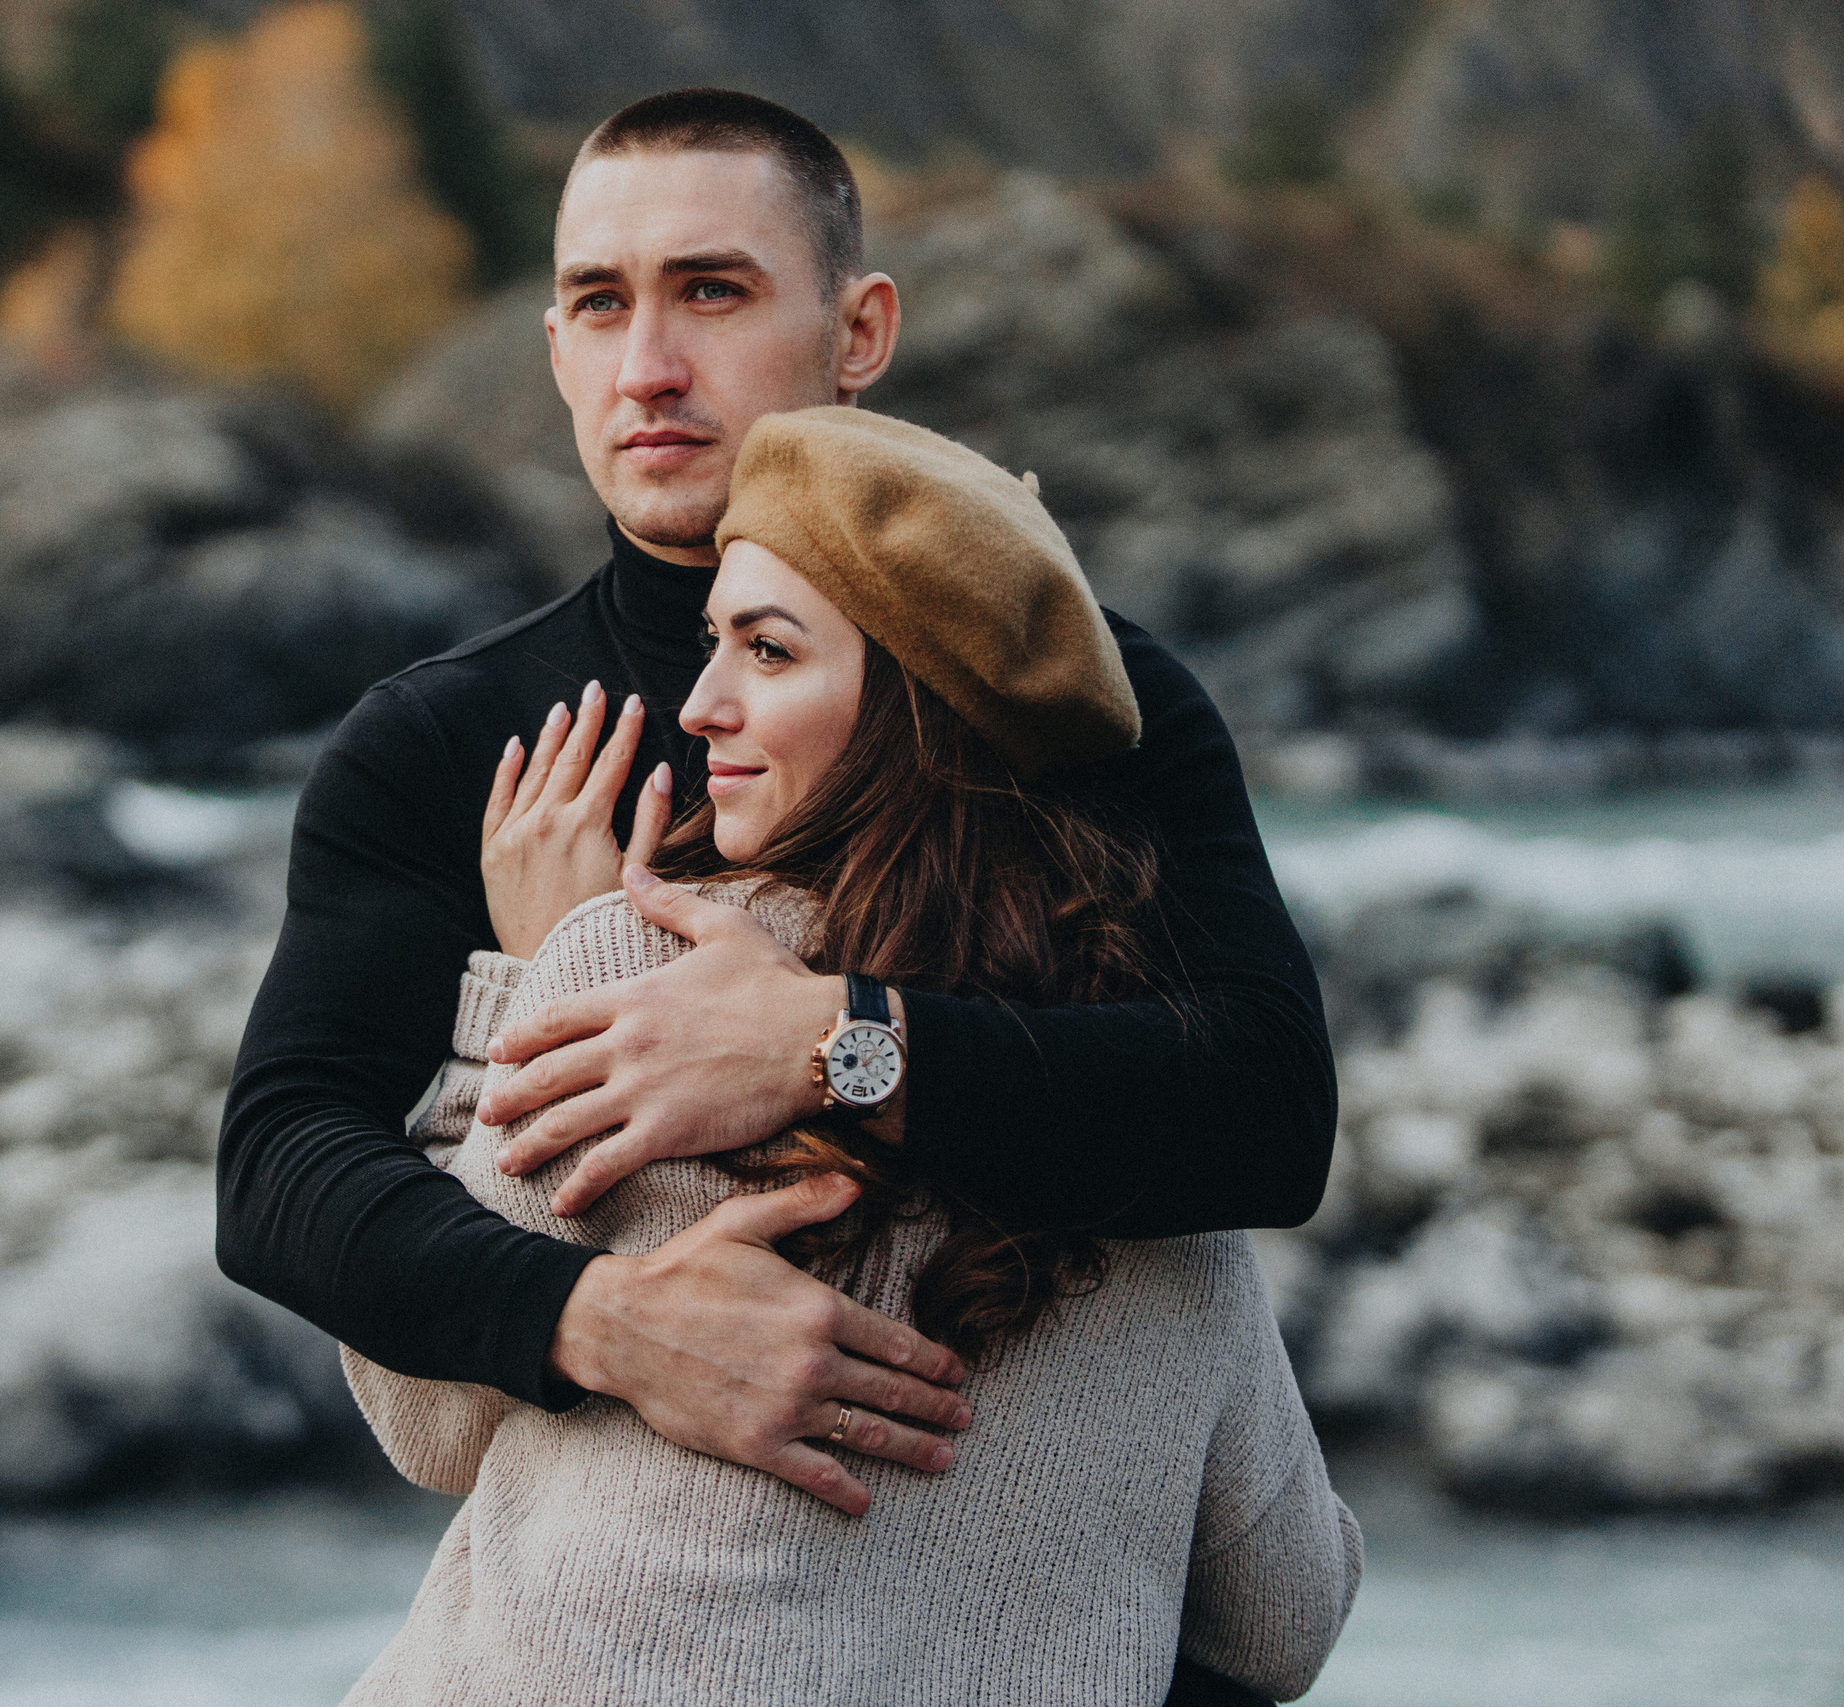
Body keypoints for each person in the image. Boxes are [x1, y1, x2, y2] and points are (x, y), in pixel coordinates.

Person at [216, 85, 1336, 1700]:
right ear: (552, 349)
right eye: (600, 304)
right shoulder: (449, 738)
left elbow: (1266, 1112)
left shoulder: (1069, 705)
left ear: (859, 329)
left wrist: (834, 1044)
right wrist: (601, 1320)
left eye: (714, 292)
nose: (647, 365)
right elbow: (281, 1169)